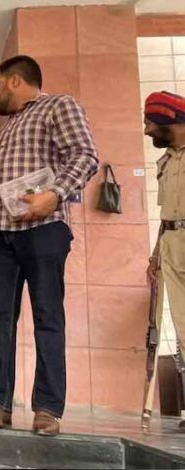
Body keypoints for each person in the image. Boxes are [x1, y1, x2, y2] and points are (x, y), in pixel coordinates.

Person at [0, 55, 98, 437]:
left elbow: (85, 155)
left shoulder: (58, 105)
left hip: (43, 229)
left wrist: (54, 194)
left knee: (47, 315)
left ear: (14, 81)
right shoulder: (3, 132)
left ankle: (47, 408)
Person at [144, 91, 185, 431]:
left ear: (169, 120)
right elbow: (166, 215)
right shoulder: (167, 161)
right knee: (183, 327)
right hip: (171, 246)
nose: (147, 130)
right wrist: (156, 255)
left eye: (150, 122)